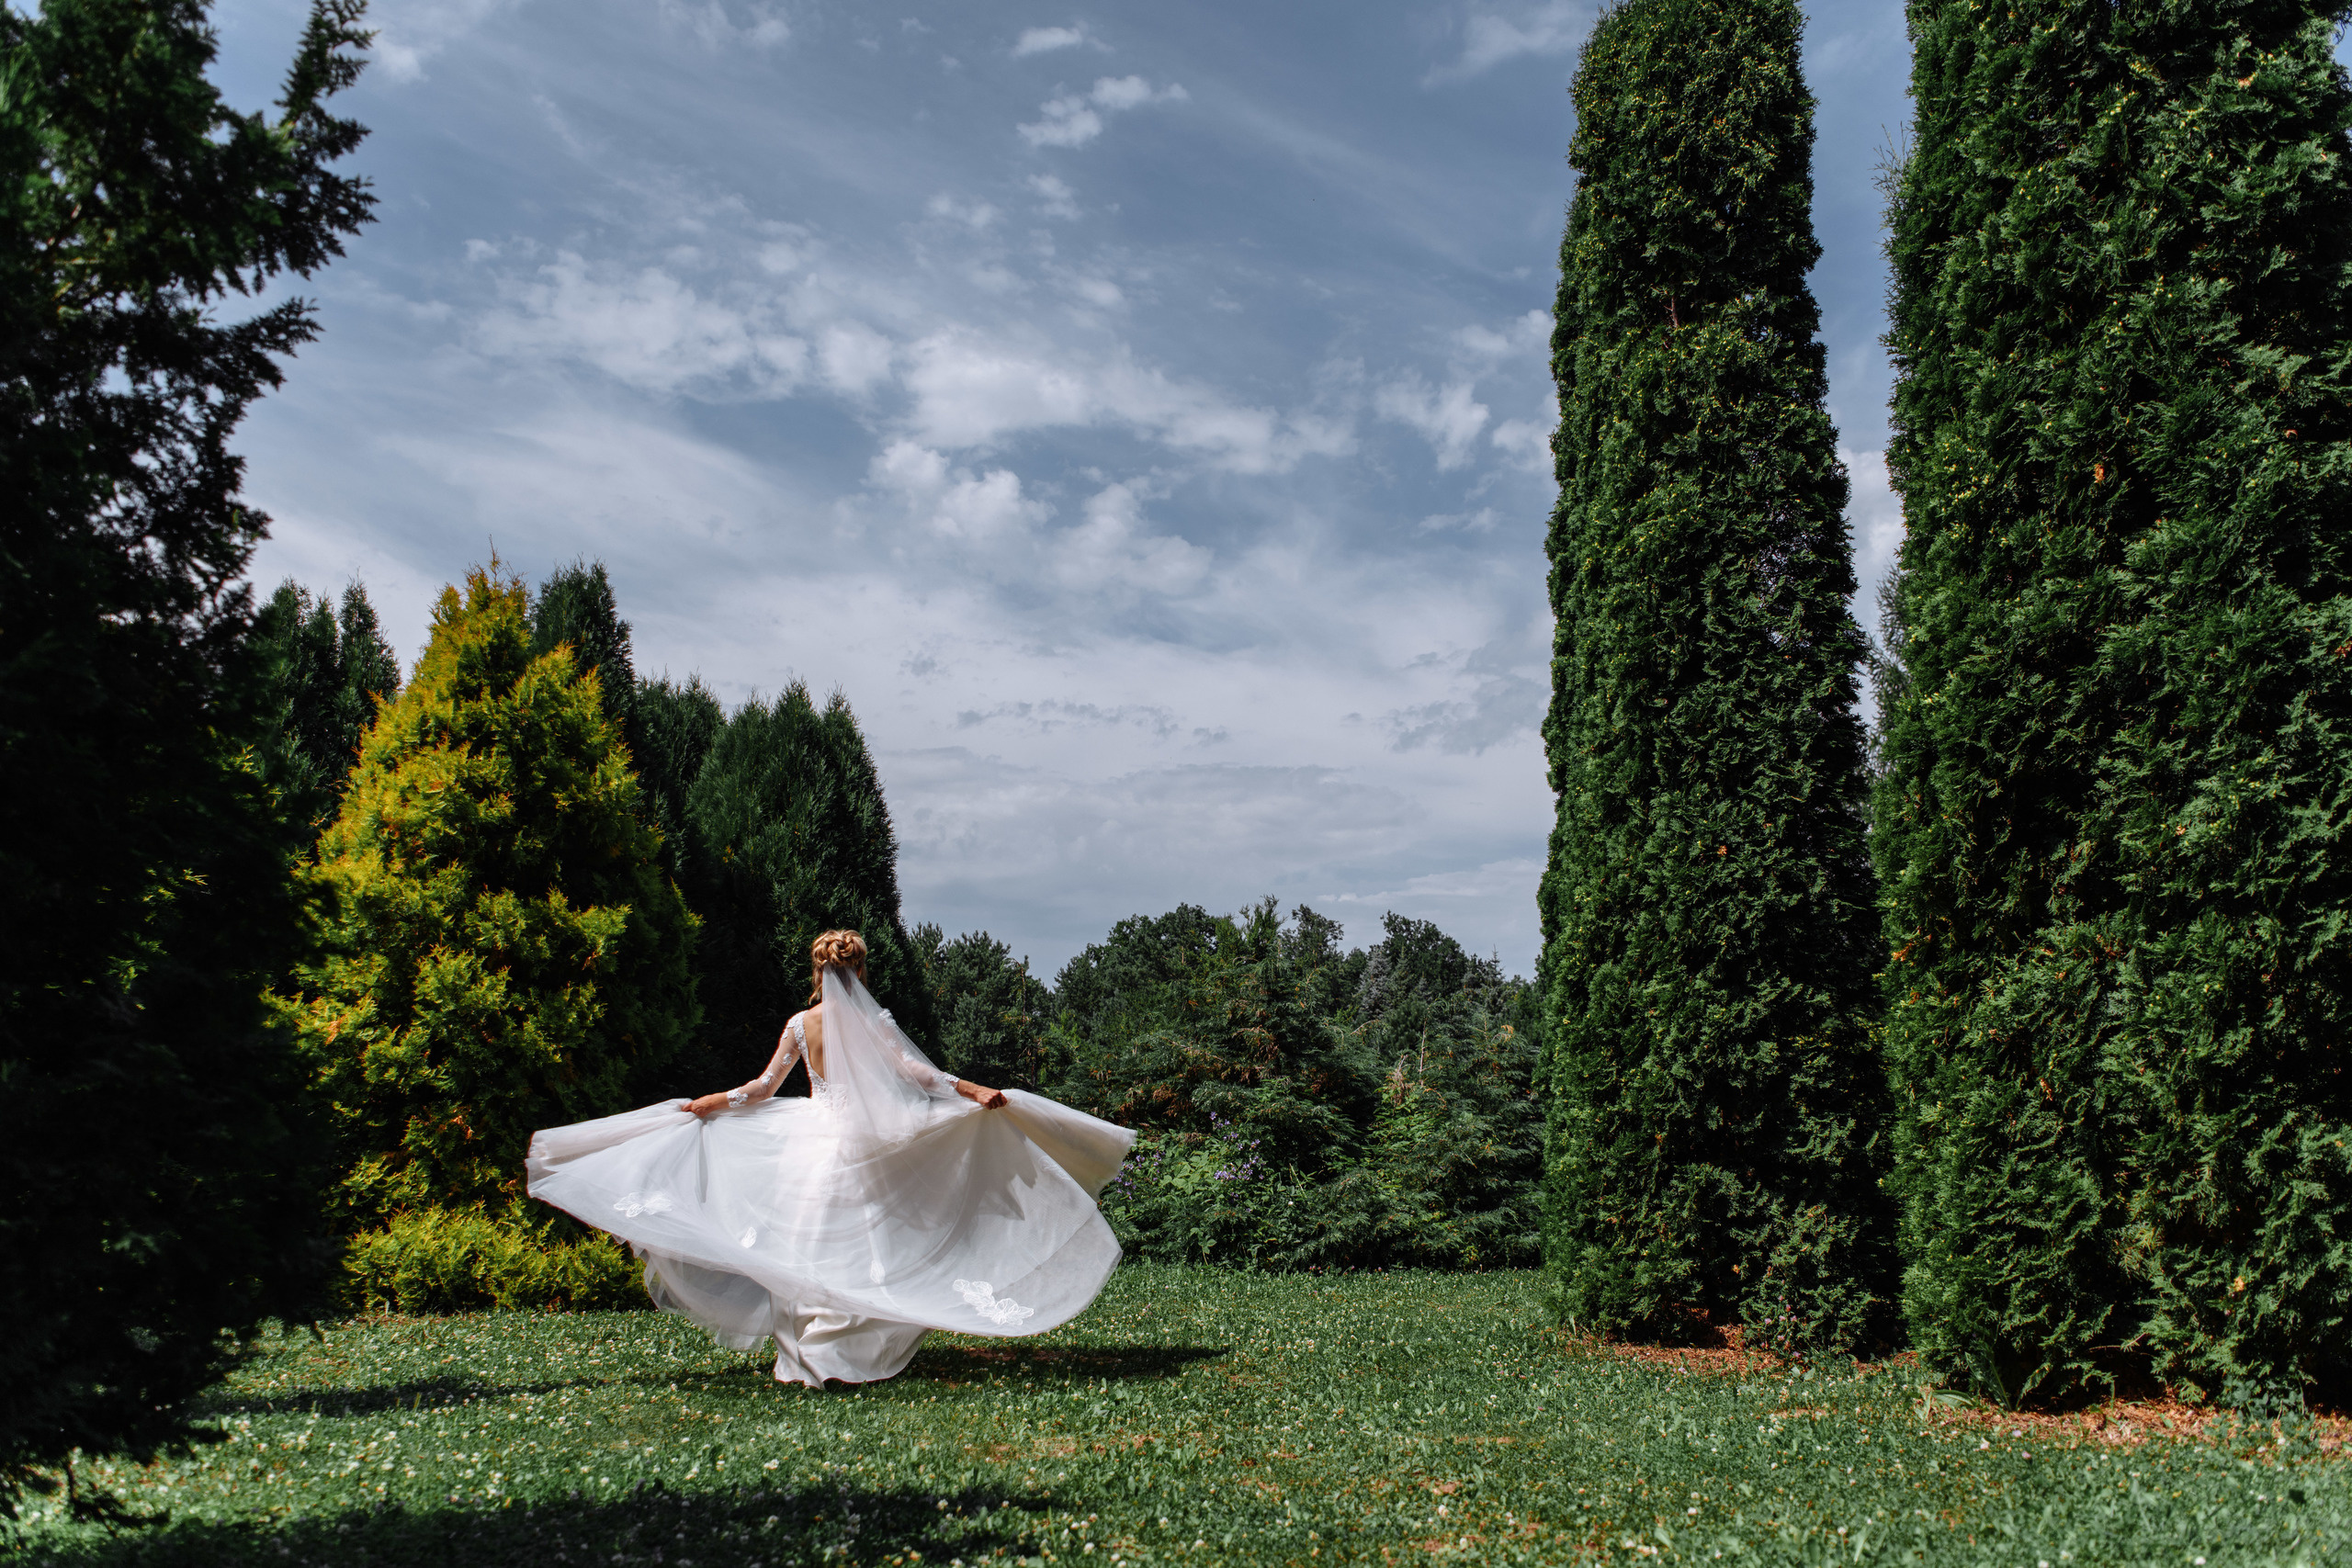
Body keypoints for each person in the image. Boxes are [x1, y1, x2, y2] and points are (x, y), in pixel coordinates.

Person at [527, 929, 1134, 1387]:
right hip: (867, 1145)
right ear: (860, 968)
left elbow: (763, 1089)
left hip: (812, 1141)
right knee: (872, 1247)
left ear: (817, 972)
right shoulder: (876, 1022)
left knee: (810, 1245)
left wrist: (716, 1102)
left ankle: (809, 1357)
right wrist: (972, 1090)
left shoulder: (800, 1023)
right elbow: (918, 1073)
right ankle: (848, 1354)